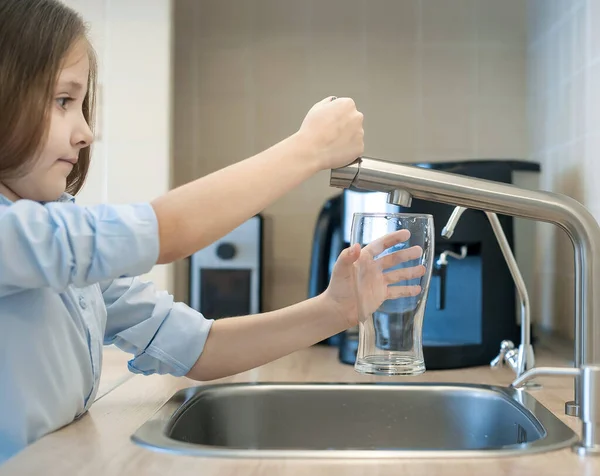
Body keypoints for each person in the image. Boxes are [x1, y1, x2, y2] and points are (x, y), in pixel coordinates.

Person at [0, 0, 427, 464]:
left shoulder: (63, 250)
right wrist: (308, 149)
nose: (85, 131)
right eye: (64, 100)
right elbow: (167, 231)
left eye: (82, 105)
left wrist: (334, 310)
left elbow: (197, 346)